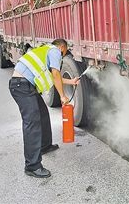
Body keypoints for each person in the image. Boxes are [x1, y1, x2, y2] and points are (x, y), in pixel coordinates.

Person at [9, 38, 78, 178]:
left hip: (25, 85)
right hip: (21, 86)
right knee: (32, 124)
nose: (63, 56)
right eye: (64, 53)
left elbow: (53, 78)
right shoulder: (54, 51)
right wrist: (63, 96)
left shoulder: (45, 51)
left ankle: (44, 146)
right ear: (62, 47)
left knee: (43, 114)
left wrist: (71, 81)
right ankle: (32, 166)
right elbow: (56, 74)